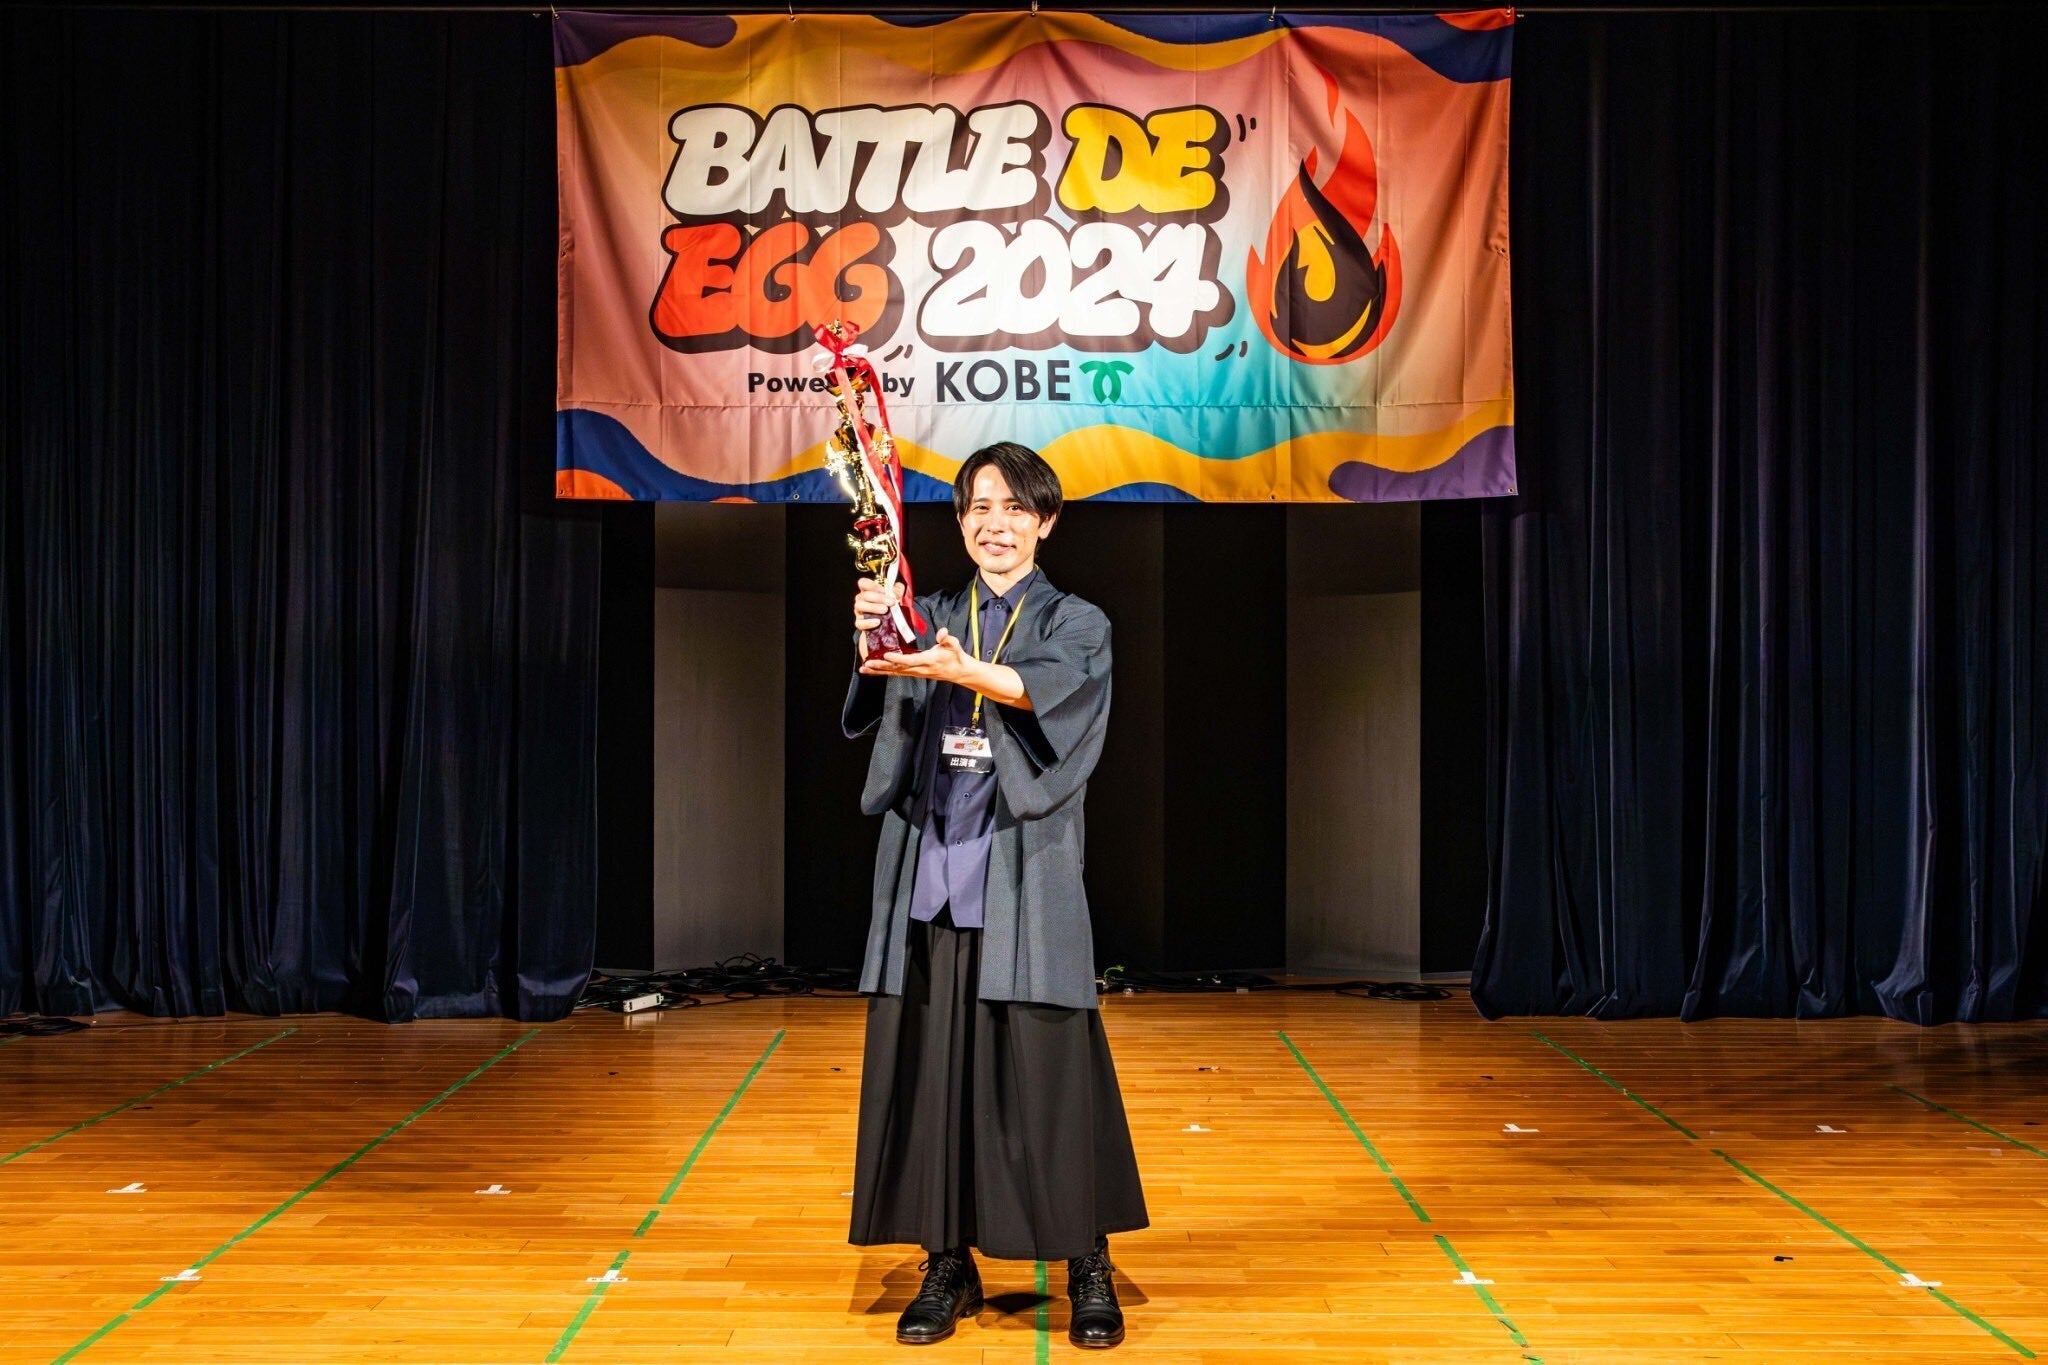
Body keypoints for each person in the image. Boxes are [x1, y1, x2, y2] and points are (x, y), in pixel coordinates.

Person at [842, 441, 1148, 1349]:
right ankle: (947, 1261)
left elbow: (1031, 691)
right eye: (979, 507)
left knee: (1050, 1080)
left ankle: (1085, 1259)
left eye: (1015, 507)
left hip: (1022, 879)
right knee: (934, 1080)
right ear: (961, 521)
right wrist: (873, 635)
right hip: (932, 877)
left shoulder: (1077, 621)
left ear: (1045, 522)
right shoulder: (934, 612)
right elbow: (881, 690)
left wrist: (961, 670)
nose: (996, 524)